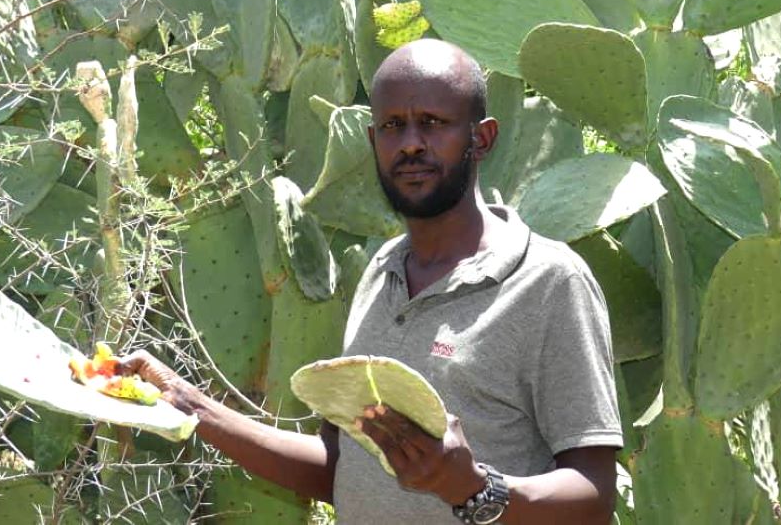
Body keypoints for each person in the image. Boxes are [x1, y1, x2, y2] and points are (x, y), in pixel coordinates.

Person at [124, 39, 622, 524]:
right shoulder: (382, 270)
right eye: (392, 126)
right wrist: (187, 404)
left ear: (482, 138)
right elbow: (343, 467)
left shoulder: (548, 281)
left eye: (433, 123)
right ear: (372, 142)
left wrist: (476, 489)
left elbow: (594, 496)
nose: (410, 144)